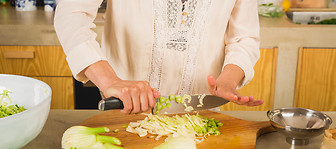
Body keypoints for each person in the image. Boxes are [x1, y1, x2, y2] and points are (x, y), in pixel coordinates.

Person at [54, 0, 264, 114]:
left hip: (204, 119)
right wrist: (110, 81)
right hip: (125, 112)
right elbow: (72, 15)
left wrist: (228, 79)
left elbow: (244, 38)